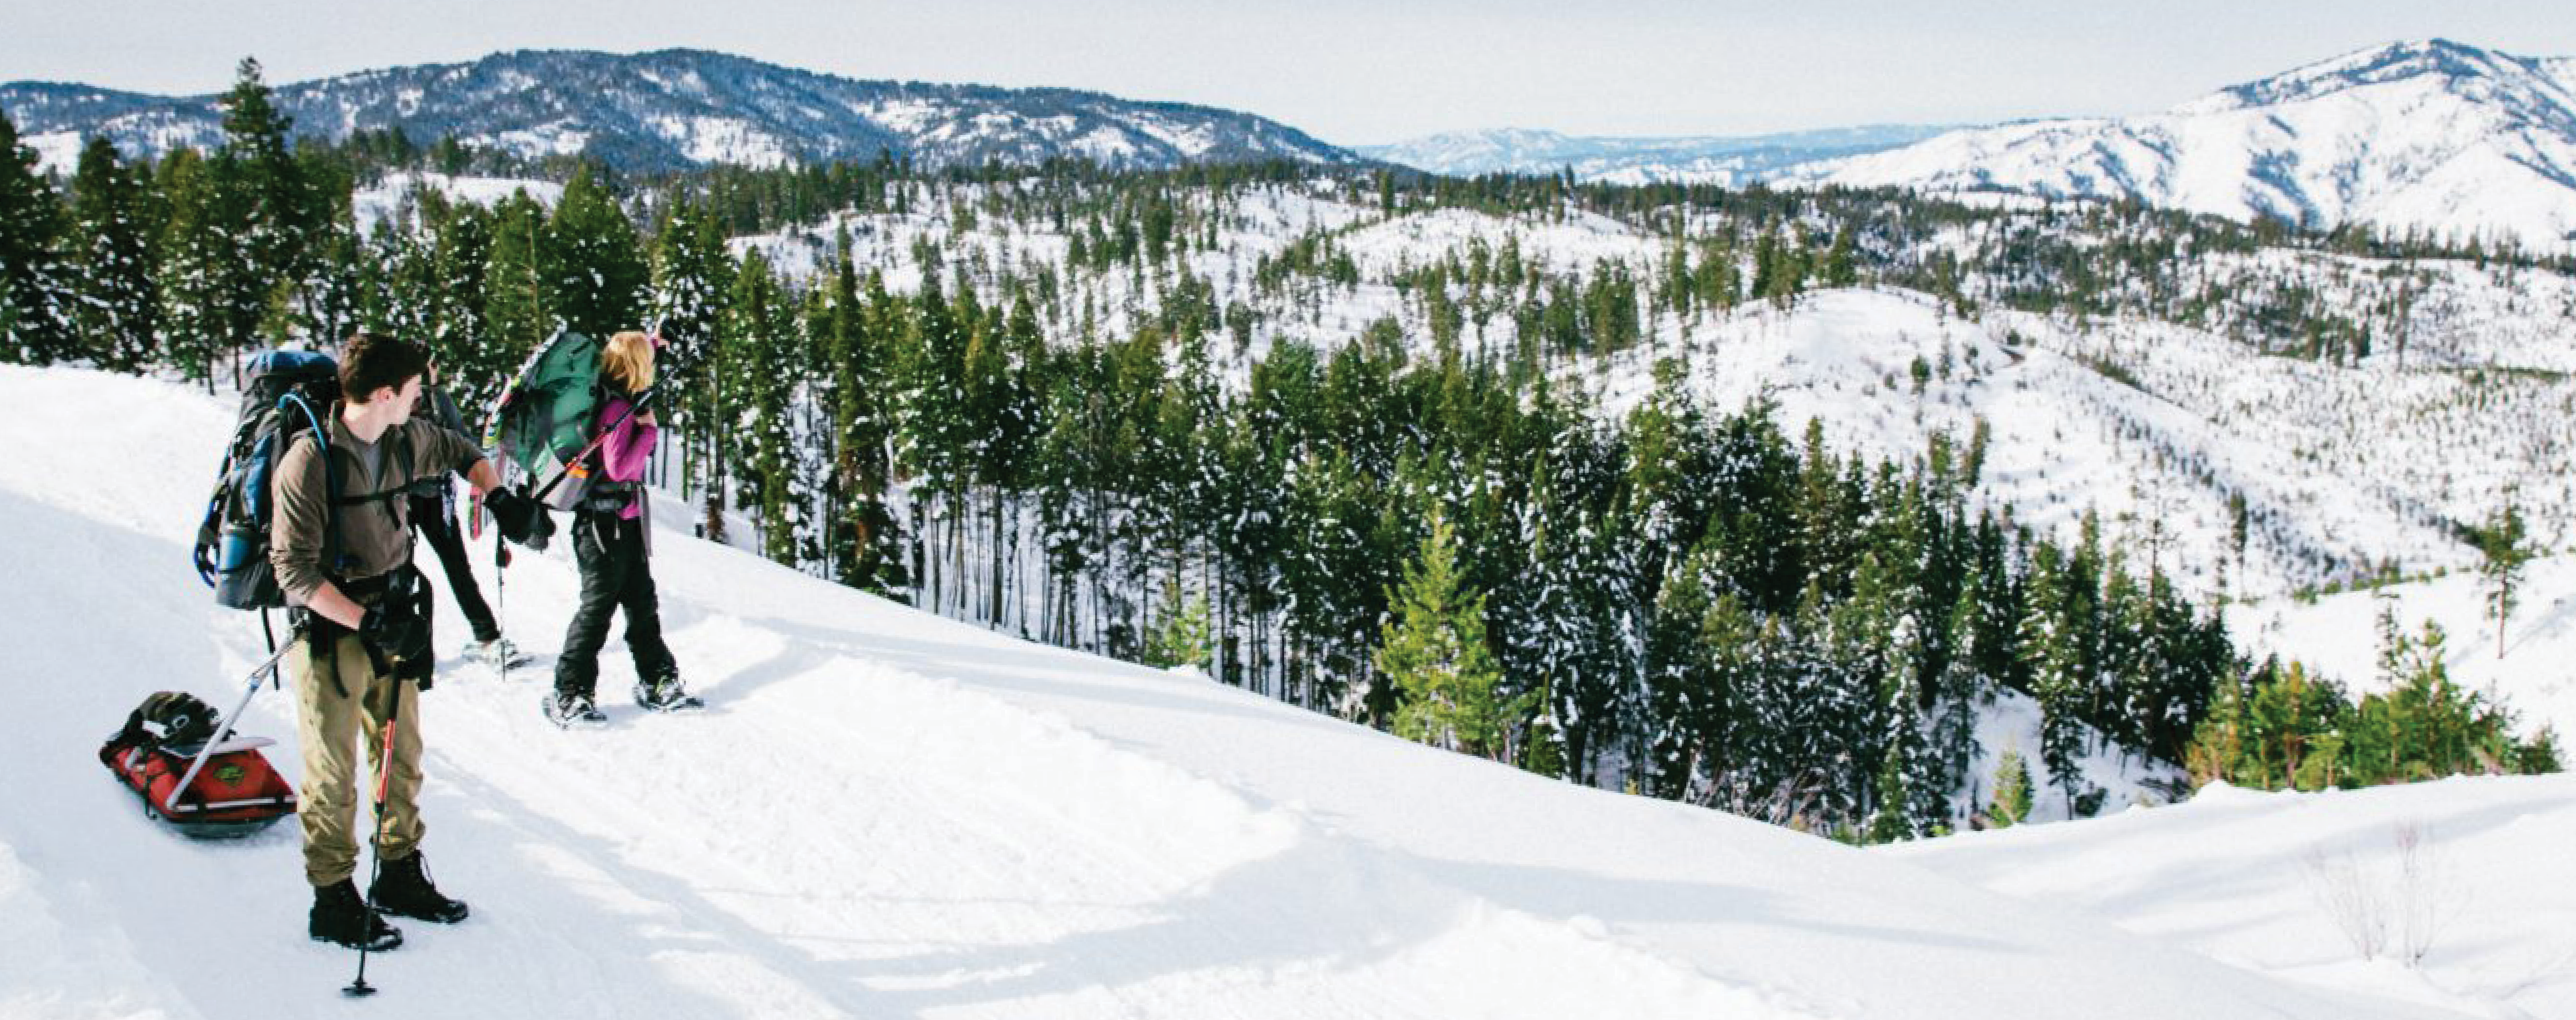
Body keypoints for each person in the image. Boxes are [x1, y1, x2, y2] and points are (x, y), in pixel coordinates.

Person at [271, 332, 529, 950]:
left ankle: (398, 874)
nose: (422, 400)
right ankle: (332, 898)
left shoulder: (402, 440)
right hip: (334, 633)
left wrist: (497, 495)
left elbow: (463, 450)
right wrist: (366, 623)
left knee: (400, 755)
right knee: (333, 773)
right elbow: (295, 572)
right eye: (416, 390)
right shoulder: (309, 461)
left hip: (395, 614)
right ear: (386, 394)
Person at [547, 329, 699, 726]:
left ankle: (657, 677)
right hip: (601, 525)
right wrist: (648, 431)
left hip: (621, 522)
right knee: (598, 609)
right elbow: (619, 468)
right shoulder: (616, 410)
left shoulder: (618, 396)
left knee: (641, 603)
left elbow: (631, 352)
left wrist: (654, 342)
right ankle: (569, 691)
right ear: (636, 369)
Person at [408, 364, 525, 668]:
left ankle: (484, 635)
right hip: (415, 497)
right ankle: (421, 644)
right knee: (432, 568)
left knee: (451, 566)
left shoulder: (430, 400)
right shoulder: (416, 401)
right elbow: (462, 442)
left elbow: (461, 443)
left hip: (425, 497)